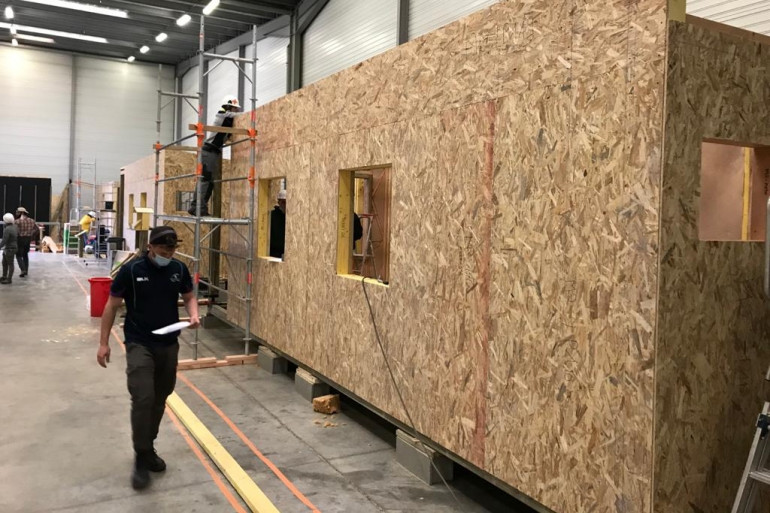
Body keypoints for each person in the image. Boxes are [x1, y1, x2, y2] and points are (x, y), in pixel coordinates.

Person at [96, 226, 200, 490]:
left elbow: (189, 296)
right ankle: (141, 457)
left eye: (172, 248)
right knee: (143, 397)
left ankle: (148, 445)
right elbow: (111, 305)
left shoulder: (178, 269)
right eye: (164, 248)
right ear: (150, 246)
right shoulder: (132, 271)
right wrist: (103, 343)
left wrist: (193, 313)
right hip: (139, 342)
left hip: (168, 343)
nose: (168, 253)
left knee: (160, 397)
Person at [188, 95, 242, 217]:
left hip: (211, 152)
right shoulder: (222, 115)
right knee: (206, 180)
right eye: (235, 108)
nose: (236, 111)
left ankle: (196, 207)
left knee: (208, 181)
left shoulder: (226, 120)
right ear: (228, 107)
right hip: (209, 151)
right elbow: (235, 115)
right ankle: (198, 208)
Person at [14, 207, 37, 278]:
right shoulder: (32, 220)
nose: (16, 213)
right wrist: (32, 236)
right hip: (28, 239)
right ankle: (26, 270)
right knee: (25, 255)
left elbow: (15, 231)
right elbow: (36, 229)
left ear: (21, 213)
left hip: (20, 239)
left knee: (18, 255)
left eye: (17, 212)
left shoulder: (17, 221)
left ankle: (23, 270)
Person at [0, 213, 18, 284]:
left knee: (10, 264)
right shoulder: (15, 226)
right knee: (4, 262)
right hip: (11, 247)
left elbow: (4, 240)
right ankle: (4, 276)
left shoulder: (7, 229)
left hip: (9, 248)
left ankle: (9, 279)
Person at [269, 189, 286, 258]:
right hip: (274, 253)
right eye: (283, 202)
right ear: (279, 202)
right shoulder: (272, 216)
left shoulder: (292, 217)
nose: (285, 205)